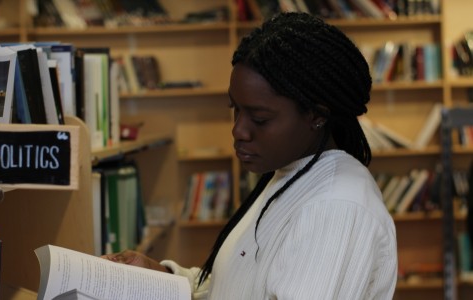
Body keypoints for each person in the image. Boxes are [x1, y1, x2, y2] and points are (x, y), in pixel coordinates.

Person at [103, 12, 398, 299]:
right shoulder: (290, 172)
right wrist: (161, 278)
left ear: (317, 116)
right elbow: (237, 286)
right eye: (235, 109)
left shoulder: (335, 207)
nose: (238, 130)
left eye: (259, 118)